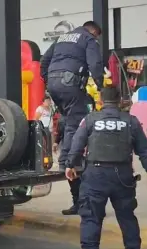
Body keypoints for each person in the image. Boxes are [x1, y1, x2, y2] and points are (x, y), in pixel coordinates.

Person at [65, 86, 147, 249]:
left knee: (91, 219)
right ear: (120, 101)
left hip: (95, 176)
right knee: (127, 218)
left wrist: (70, 165)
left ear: (100, 100)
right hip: (123, 177)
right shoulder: (131, 121)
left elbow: (77, 145)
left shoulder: (90, 119)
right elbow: (144, 152)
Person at [40, 21, 104, 190]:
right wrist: (101, 86)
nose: (96, 37)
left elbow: (44, 60)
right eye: (97, 35)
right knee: (75, 123)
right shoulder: (89, 39)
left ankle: (65, 158)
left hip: (54, 86)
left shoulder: (62, 38)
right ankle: (67, 161)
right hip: (70, 84)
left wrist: (48, 80)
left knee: (68, 120)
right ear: (94, 31)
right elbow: (95, 65)